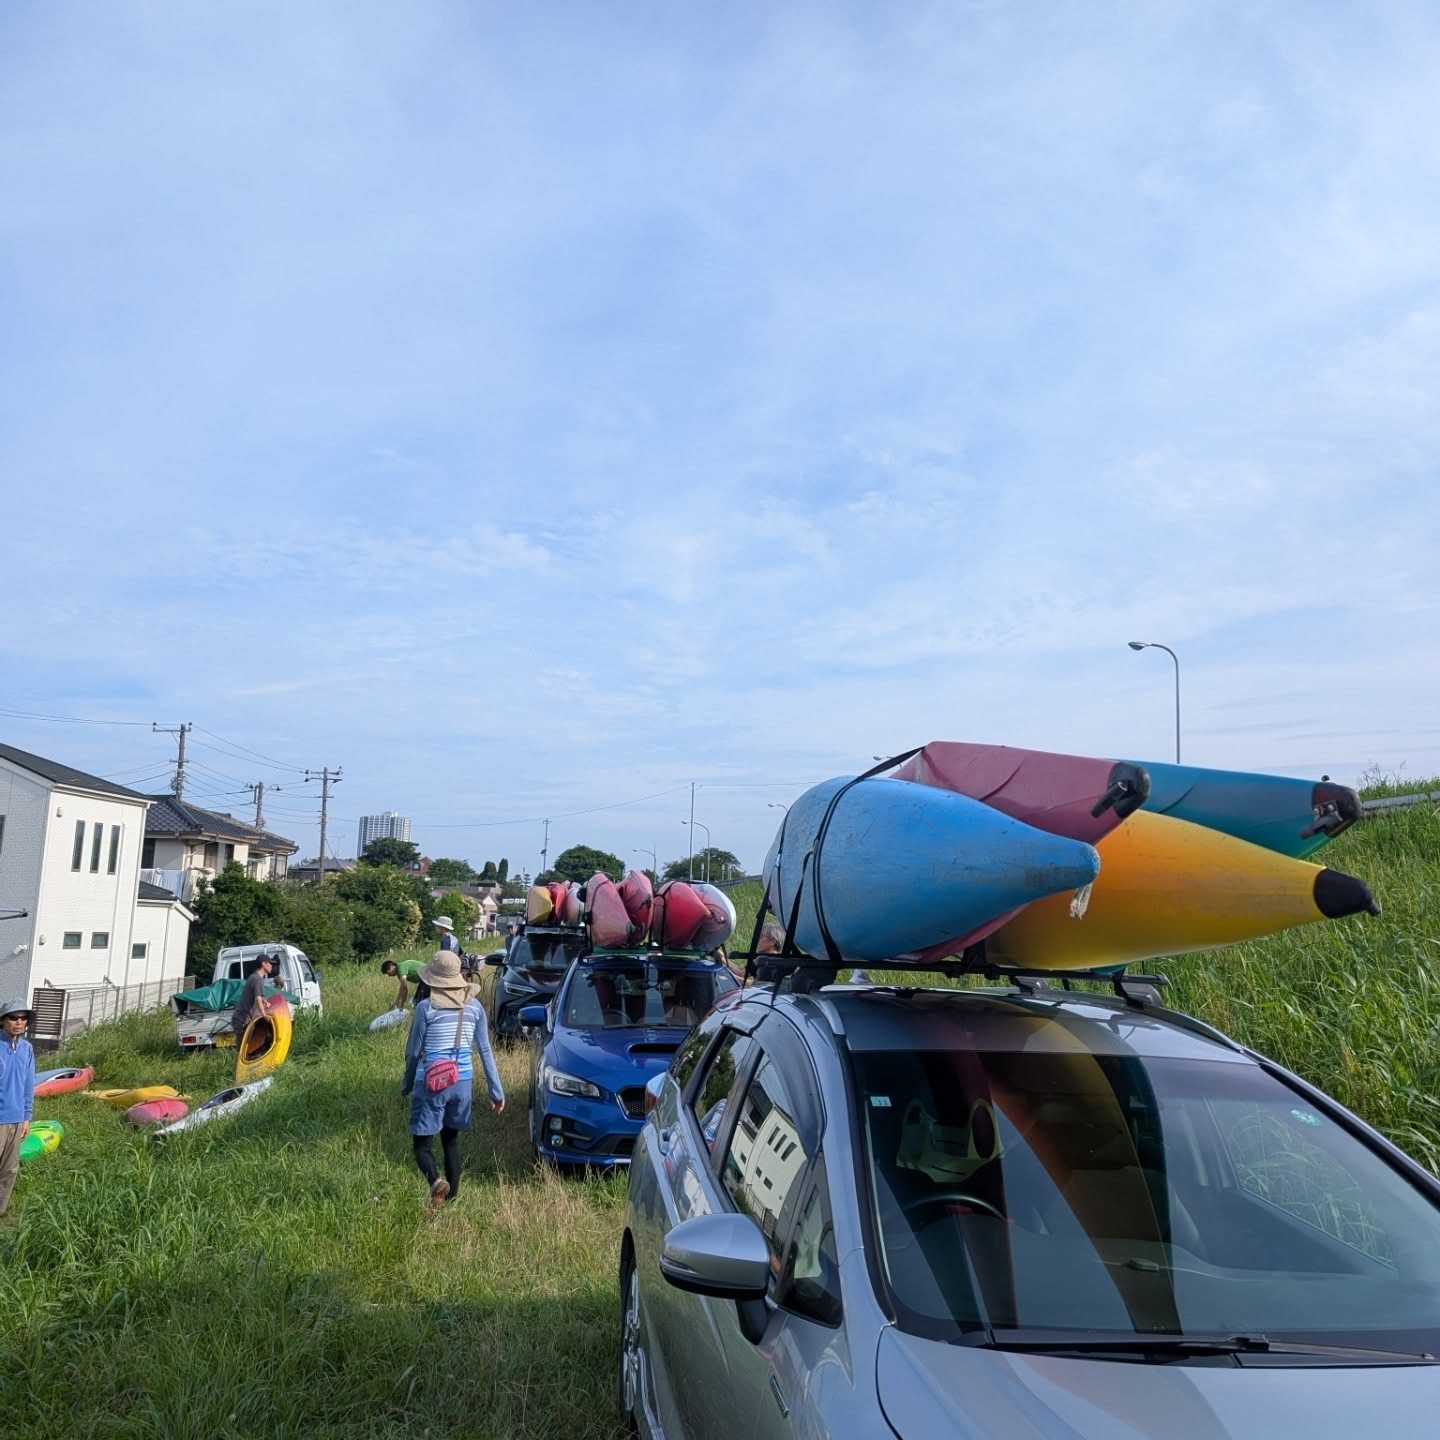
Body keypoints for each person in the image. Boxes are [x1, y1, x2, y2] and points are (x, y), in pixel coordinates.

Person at [401, 951, 504, 1206]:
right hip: (462, 1083)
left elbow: (413, 1052)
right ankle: (453, 1200)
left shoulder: (426, 1008)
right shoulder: (475, 1007)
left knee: (422, 1146)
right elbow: (485, 1050)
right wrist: (496, 1091)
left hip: (432, 1082)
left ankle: (436, 1181)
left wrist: (407, 1083)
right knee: (451, 1141)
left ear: (432, 979)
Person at [0, 998, 36, 1226]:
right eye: (13, 1017)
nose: (19, 1022)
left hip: (16, 1118)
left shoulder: (27, 1048)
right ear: (3, 1020)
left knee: (10, 1169)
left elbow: (27, 1084)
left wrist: (26, 1117)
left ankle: (1, 1211)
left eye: (23, 1018)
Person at [230, 954, 274, 1042]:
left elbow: (256, 996)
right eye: (269, 963)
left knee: (246, 1048)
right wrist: (264, 1015)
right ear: (263, 964)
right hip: (243, 1019)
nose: (271, 965)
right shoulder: (258, 979)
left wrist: (263, 1000)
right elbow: (257, 999)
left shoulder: (253, 976)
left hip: (240, 1017)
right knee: (245, 1049)